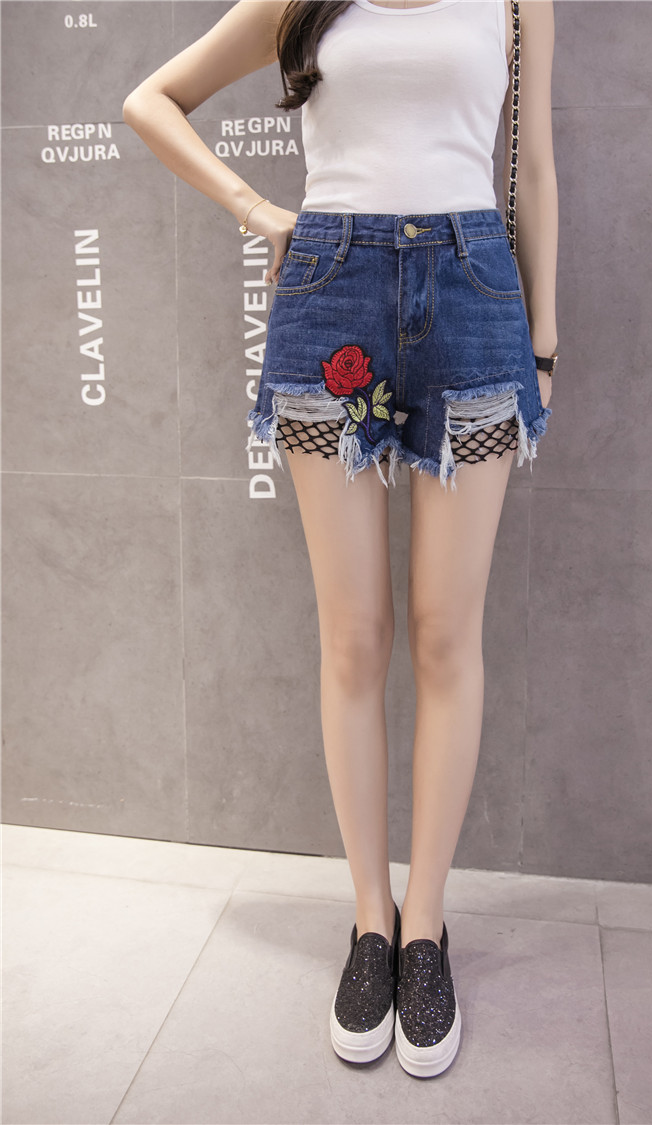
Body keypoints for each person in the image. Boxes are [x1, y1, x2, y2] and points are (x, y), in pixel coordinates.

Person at [123, 0, 557, 1078]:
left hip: (477, 293)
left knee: (447, 636)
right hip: (331, 294)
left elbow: (534, 163)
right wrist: (256, 210)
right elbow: (151, 100)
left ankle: (427, 928)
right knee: (354, 637)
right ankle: (371, 919)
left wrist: (544, 343)